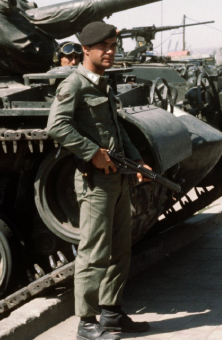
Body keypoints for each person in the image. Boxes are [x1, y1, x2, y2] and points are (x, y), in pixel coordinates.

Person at [47, 21, 151, 340]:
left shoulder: (103, 83)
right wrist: (92, 151)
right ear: (86, 50)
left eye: (113, 46)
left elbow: (116, 127)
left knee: (120, 249)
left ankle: (111, 314)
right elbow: (56, 126)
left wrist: (135, 159)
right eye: (103, 47)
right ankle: (87, 322)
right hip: (95, 183)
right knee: (93, 252)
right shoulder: (74, 84)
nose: (110, 52)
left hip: (117, 179)